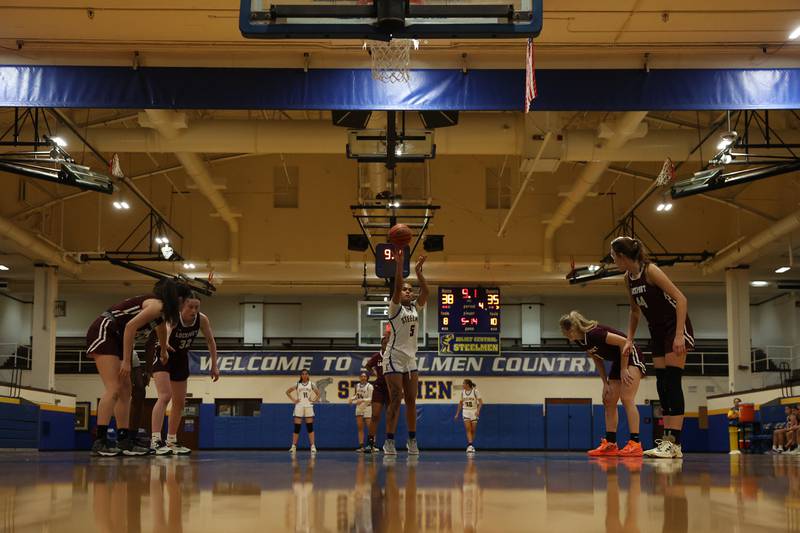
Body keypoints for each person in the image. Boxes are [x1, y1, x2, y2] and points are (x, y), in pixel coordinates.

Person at [612, 236, 694, 459]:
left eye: (613, 256)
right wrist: (629, 338)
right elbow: (634, 311)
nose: (613, 260)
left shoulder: (651, 271)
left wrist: (679, 335)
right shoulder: (628, 278)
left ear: (621, 256)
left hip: (674, 328)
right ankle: (668, 441)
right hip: (656, 331)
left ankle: (675, 443)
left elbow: (681, 299)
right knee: (662, 384)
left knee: (672, 382)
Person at [85, 278, 185, 456]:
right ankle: (100, 441)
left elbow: (161, 330)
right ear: (176, 298)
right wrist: (126, 361)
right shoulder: (156, 306)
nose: (183, 304)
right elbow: (130, 327)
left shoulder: (161, 314)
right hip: (106, 329)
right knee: (114, 388)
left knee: (126, 390)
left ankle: (124, 439)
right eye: (183, 300)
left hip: (117, 336)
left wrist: (163, 350)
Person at [560, 310, 646, 457]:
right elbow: (597, 359)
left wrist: (624, 368)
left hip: (630, 354)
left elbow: (624, 343)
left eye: (568, 333)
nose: (568, 337)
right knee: (608, 399)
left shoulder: (595, 333)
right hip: (618, 360)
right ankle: (611, 444)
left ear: (575, 328)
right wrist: (605, 382)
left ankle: (635, 443)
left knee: (626, 398)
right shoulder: (581, 341)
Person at [149, 292, 220, 455]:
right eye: (190, 307)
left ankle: (172, 441)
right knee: (164, 396)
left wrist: (214, 365)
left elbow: (210, 340)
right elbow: (166, 328)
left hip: (181, 359)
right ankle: (155, 440)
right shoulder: (174, 317)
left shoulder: (202, 319)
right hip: (164, 355)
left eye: (197, 307)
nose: (194, 310)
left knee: (180, 402)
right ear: (182, 306)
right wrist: (165, 342)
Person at [382, 249, 428, 456]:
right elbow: (398, 284)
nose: (408, 292)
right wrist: (399, 265)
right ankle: (389, 441)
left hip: (410, 358)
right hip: (393, 357)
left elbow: (426, 293)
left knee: (411, 399)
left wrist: (419, 273)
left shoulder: (414, 309)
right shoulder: (395, 308)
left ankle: (412, 440)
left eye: (411, 290)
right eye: (405, 290)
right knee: (395, 398)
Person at [363, 331, 390, 454]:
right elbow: (368, 366)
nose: (386, 344)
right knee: (375, 416)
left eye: (388, 342)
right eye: (384, 342)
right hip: (379, 387)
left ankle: (390, 443)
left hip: (391, 388)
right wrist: (373, 372)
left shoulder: (393, 356)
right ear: (381, 344)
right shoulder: (377, 356)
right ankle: (370, 443)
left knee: (391, 416)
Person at [287, 369, 319, 454]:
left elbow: (318, 394)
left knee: (310, 427)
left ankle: (312, 446)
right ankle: (293, 446)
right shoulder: (297, 384)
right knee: (297, 427)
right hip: (299, 406)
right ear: (301, 376)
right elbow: (288, 392)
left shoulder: (312, 384)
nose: (304, 375)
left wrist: (313, 400)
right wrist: (294, 400)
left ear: (308, 375)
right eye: (303, 374)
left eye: (306, 374)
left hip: (308, 406)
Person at [454, 379, 483, 454]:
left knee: (473, 430)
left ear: (467, 384)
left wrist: (478, 411)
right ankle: (470, 445)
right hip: (466, 411)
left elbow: (481, 402)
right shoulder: (462, 392)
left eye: (463, 384)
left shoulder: (475, 391)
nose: (462, 385)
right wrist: (457, 414)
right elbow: (460, 404)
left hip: (474, 411)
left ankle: (471, 445)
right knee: (468, 429)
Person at [350, 371, 374, 452]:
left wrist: (362, 400)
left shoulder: (369, 386)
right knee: (360, 427)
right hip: (359, 408)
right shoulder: (357, 385)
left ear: (367, 377)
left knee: (370, 428)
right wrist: (352, 399)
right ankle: (361, 446)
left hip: (367, 407)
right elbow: (356, 395)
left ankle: (372, 445)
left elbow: (371, 399)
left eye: (364, 376)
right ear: (360, 377)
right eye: (361, 376)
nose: (363, 378)